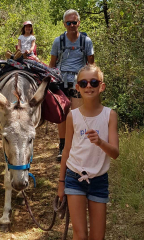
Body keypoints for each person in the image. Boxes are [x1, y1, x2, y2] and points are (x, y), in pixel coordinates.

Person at [57, 65, 119, 240]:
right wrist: (61, 183)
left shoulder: (110, 115)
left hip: (99, 181)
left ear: (102, 86)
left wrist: (100, 142)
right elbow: (66, 150)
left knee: (97, 236)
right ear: (77, 88)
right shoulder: (72, 116)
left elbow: (115, 153)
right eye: (83, 83)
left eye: (93, 82)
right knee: (80, 235)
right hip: (74, 177)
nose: (88, 86)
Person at [49, 9, 94, 162]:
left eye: (74, 22)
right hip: (61, 80)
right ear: (64, 24)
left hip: (79, 82)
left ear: (79, 23)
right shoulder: (58, 41)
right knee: (62, 114)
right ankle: (62, 147)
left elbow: (91, 65)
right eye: (69, 22)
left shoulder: (86, 41)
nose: (72, 25)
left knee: (77, 115)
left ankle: (77, 146)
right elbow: (52, 65)